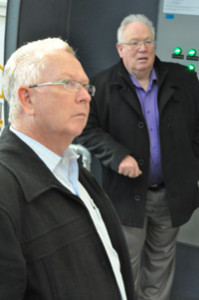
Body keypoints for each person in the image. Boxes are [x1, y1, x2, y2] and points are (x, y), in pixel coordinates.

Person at [0, 37, 135, 300]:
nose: (85, 96)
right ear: (27, 99)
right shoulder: (5, 189)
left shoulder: (73, 170)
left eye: (85, 86)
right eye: (68, 84)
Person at [78, 14, 199, 300]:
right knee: (125, 265)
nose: (142, 48)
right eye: (134, 43)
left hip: (171, 195)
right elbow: (86, 129)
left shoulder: (184, 79)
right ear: (120, 49)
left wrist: (190, 164)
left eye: (147, 41)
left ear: (154, 45)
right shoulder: (102, 85)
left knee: (161, 262)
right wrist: (118, 156)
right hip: (126, 195)